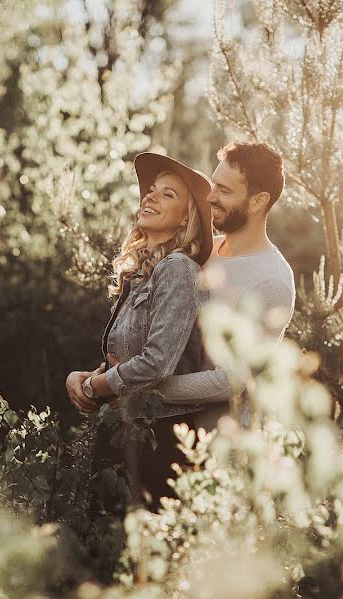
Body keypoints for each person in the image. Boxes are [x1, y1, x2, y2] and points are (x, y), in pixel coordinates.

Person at [65, 152, 214, 503]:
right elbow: (125, 360)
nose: (150, 196)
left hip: (158, 443)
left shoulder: (178, 269)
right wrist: (86, 376)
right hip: (127, 432)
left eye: (168, 194)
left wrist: (94, 388)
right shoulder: (142, 274)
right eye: (152, 190)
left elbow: (157, 362)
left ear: (185, 220)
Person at [143, 140, 296, 432]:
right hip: (162, 428)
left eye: (224, 190)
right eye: (214, 185)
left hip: (218, 446)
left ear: (258, 201)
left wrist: (141, 388)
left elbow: (229, 379)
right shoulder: (198, 252)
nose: (210, 197)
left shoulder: (272, 281)